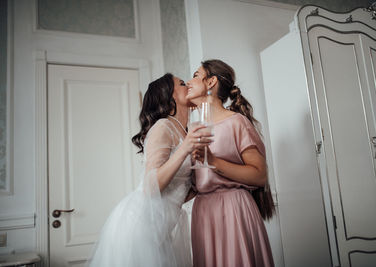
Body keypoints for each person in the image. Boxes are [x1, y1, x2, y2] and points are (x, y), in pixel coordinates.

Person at [87, 73, 211, 267]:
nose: (187, 84)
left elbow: (177, 191)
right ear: (169, 96)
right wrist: (185, 148)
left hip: (163, 228)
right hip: (140, 226)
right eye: (181, 84)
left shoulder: (185, 131)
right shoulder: (163, 126)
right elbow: (150, 187)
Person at [187, 59, 275, 267]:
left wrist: (214, 161)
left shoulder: (237, 122)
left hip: (234, 211)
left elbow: (260, 175)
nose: (189, 82)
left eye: (196, 75)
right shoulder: (192, 130)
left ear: (211, 82)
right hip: (203, 215)